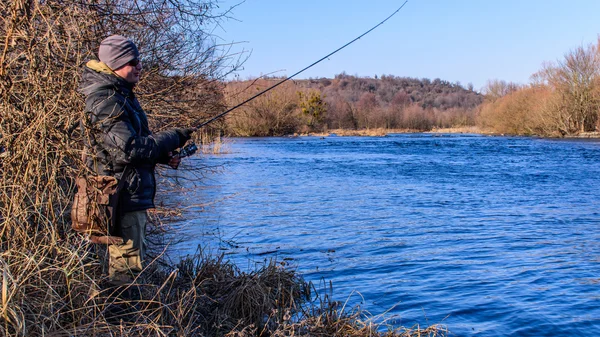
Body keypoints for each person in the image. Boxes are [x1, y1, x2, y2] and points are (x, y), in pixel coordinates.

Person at [79, 35, 194, 285]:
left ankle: (119, 317)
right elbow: (130, 149)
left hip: (128, 194)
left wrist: (164, 156)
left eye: (139, 59)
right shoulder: (105, 100)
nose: (139, 65)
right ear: (115, 64)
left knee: (129, 266)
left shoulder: (122, 95)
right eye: (133, 61)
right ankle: (121, 320)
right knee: (126, 272)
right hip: (119, 197)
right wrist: (173, 138)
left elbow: (130, 145)